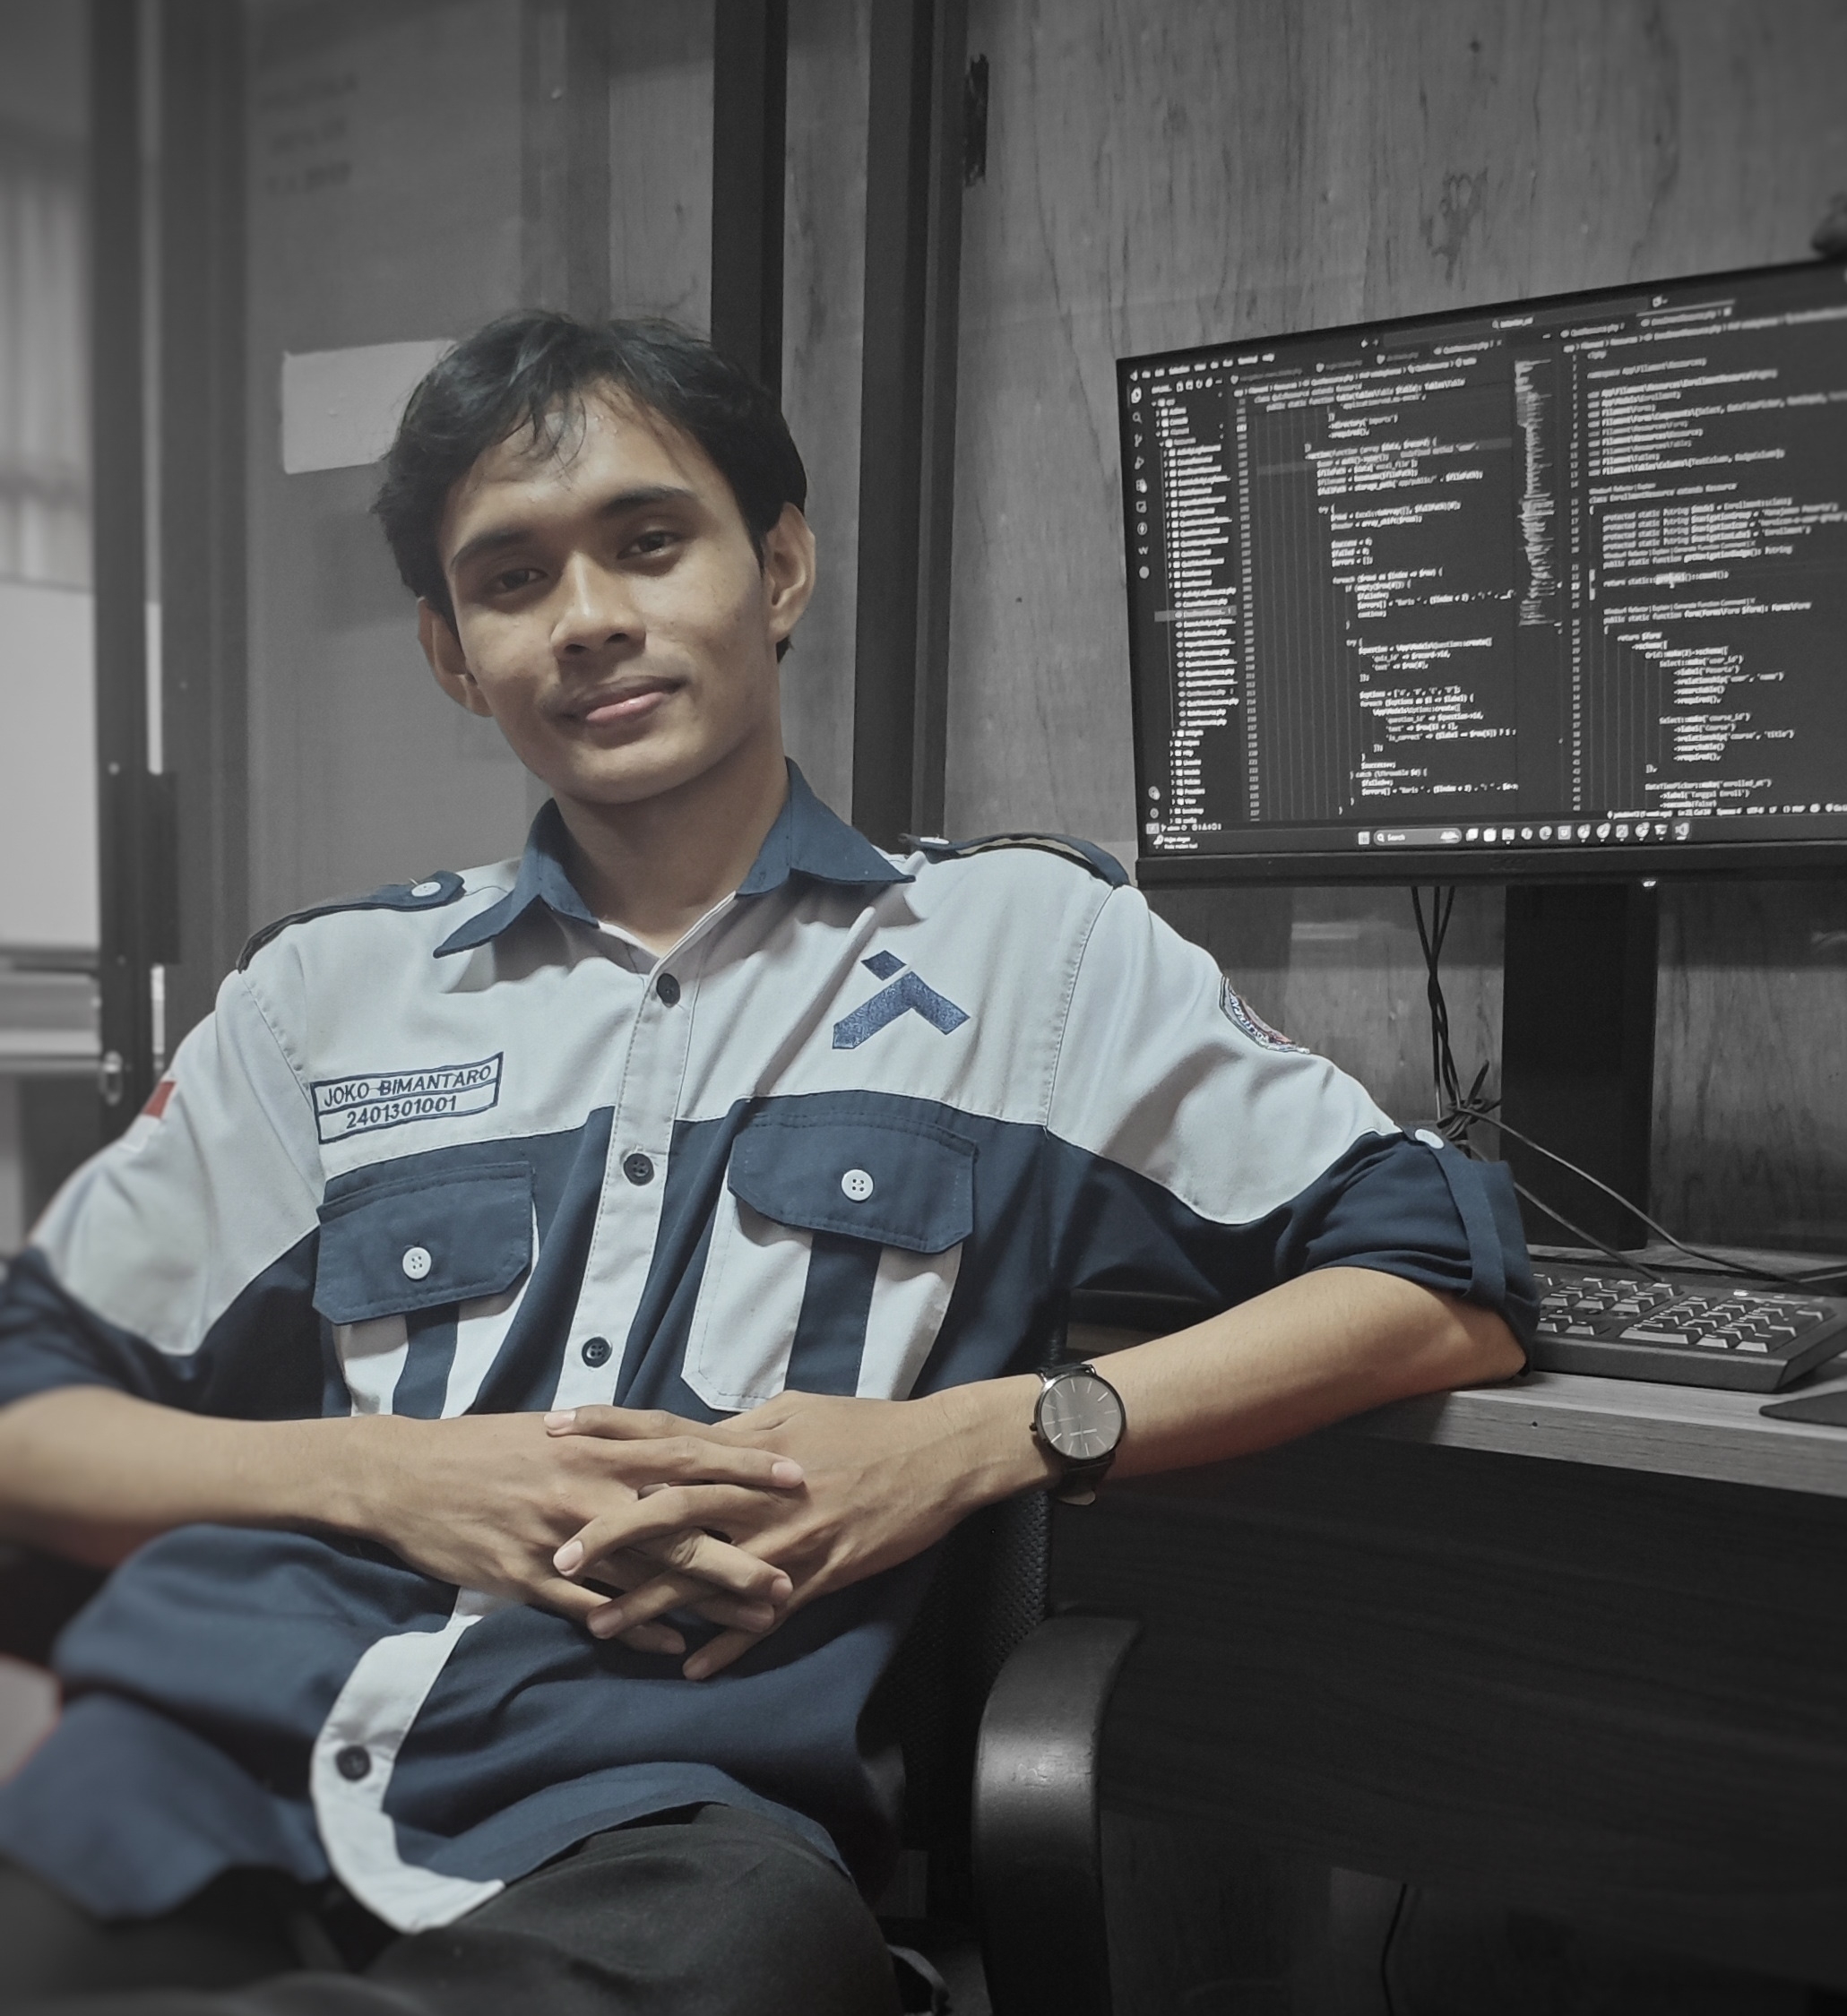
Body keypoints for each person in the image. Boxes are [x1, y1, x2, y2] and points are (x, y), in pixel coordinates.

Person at [0, 312, 1533, 2014]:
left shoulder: (1030, 956)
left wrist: (976, 1438)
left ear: (780, 566)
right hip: (202, 1779)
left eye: (650, 541)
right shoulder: (325, 995)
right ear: (452, 653)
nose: (589, 617)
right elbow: (28, 1408)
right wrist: (381, 1476)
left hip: (662, 1833)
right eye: (511, 579)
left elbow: (1441, 1278)